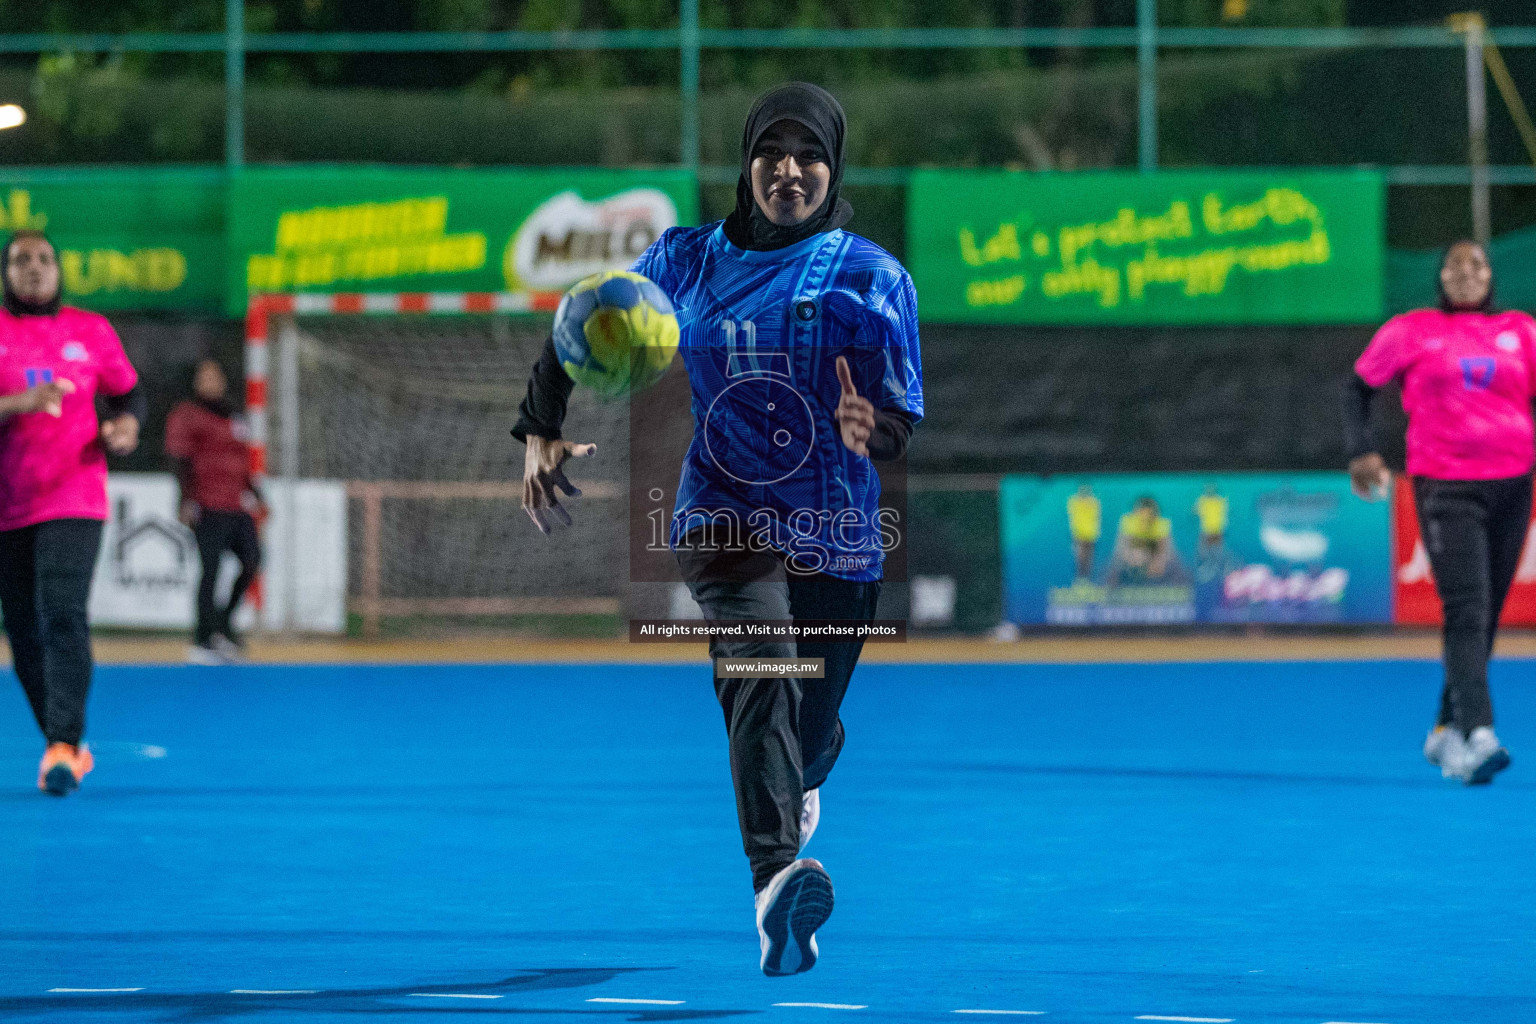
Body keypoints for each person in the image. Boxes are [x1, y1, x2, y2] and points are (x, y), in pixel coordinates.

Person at [512, 83, 923, 976]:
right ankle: (776, 885)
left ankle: (804, 775)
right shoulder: (687, 258)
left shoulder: (873, 278)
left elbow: (899, 417)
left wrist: (872, 431)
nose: (789, 169)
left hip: (839, 532)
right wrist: (540, 427)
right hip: (724, 513)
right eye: (770, 152)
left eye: (809, 154)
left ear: (833, 167)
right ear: (745, 164)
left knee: (809, 729)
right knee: (761, 669)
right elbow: (581, 317)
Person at [1345, 239, 1536, 786]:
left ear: (1491, 275)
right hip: (1446, 487)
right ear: (1441, 277)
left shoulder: (1522, 331)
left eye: (1477, 262)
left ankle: (1443, 731)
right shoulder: (1412, 330)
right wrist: (1362, 451)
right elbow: (1357, 388)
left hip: (1513, 486)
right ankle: (1480, 733)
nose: (1467, 271)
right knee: (1467, 608)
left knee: (1487, 613)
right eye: (1455, 263)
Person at [0, 230, 144, 796]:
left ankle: (62, 742)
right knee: (21, 631)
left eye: (43, 259)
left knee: (62, 612)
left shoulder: (91, 330)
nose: (33, 269)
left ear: (58, 270)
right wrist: (18, 403)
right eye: (19, 260)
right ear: (6, 272)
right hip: (9, 501)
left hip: (75, 493)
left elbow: (129, 394)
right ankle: (65, 746)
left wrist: (125, 426)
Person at [165, 357, 265, 664]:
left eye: (215, 376)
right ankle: (203, 637)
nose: (211, 382)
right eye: (204, 377)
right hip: (208, 505)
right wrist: (185, 500)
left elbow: (243, 461)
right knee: (211, 571)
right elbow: (179, 459)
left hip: (237, 505)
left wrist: (257, 495)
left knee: (253, 561)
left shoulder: (234, 416)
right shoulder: (187, 414)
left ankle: (222, 623)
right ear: (195, 382)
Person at [1104, 495, 1187, 588]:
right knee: (1115, 562)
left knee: (1175, 561)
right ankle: (1109, 588)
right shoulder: (1128, 522)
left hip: (1153, 549)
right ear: (1135, 514)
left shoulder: (1162, 525)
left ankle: (1181, 587)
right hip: (1135, 548)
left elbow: (1166, 552)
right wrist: (1130, 560)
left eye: (1149, 518)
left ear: (1155, 516)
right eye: (1142, 518)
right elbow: (1121, 549)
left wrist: (1158, 563)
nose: (1145, 523)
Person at [1067, 483, 1101, 581]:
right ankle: (1079, 580)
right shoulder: (1073, 501)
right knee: (1080, 559)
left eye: (1087, 490)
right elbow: (1073, 518)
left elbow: (1096, 518)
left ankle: (1087, 580)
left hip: (1091, 536)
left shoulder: (1094, 502)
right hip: (1078, 536)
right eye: (1082, 490)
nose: (1085, 493)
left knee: (1089, 560)